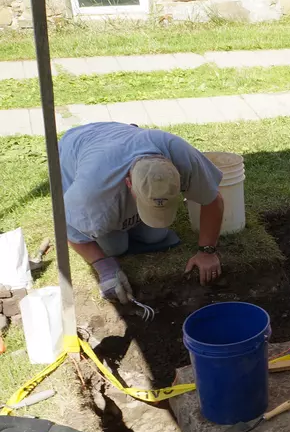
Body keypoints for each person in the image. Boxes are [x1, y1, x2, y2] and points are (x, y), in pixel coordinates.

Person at [59, 122, 226, 305]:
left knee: (155, 235)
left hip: (121, 137)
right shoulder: (93, 194)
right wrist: (103, 266)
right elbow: (69, 230)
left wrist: (207, 251)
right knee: (115, 248)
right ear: (129, 184)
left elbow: (212, 199)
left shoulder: (182, 155)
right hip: (75, 147)